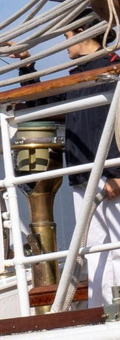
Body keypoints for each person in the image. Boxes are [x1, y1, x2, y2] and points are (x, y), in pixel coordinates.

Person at [60, 17, 120, 308]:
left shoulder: (113, 67)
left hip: (110, 173)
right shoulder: (76, 75)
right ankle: (103, 311)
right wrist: (26, 65)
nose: (63, 44)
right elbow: (41, 105)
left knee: (118, 247)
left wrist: (116, 171)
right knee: (94, 249)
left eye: (67, 34)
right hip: (84, 174)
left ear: (81, 32)